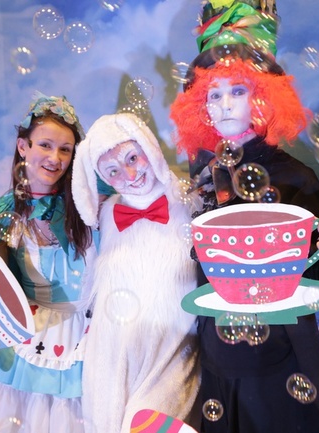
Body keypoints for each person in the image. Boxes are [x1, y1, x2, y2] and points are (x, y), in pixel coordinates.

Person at [168, 1, 319, 432]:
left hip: (280, 361)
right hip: (215, 360)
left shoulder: (294, 177)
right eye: (214, 94)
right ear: (200, 106)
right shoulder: (201, 182)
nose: (224, 104)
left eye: (238, 91)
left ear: (262, 97)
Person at [0, 92, 97, 433]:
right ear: (23, 147)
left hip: (86, 337)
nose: (55, 158)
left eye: (65, 149)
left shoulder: (88, 207)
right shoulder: (4, 210)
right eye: (45, 145)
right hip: (27, 338)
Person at [71, 113, 201, 433]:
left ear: (149, 147)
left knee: (155, 422)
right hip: (112, 350)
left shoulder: (190, 199)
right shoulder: (107, 213)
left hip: (173, 345)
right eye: (113, 171)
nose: (130, 175)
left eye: (132, 158)